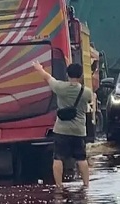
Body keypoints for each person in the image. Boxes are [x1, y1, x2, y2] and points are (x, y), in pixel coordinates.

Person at [32, 61, 92, 189]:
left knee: (58, 158)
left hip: (61, 130)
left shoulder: (60, 88)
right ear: (81, 75)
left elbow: (47, 77)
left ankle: (59, 185)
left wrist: (39, 68)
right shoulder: (86, 92)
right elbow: (90, 101)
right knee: (81, 158)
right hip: (79, 131)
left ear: (67, 74)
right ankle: (86, 184)